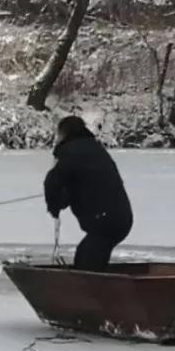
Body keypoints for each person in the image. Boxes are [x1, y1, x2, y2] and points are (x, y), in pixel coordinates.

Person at [44, 116, 133, 272]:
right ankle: (98, 288)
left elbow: (53, 181)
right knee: (90, 254)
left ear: (64, 134)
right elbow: (80, 184)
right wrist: (61, 200)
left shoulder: (72, 152)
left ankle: (91, 292)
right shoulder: (93, 148)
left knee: (88, 259)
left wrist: (54, 205)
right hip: (119, 217)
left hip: (105, 219)